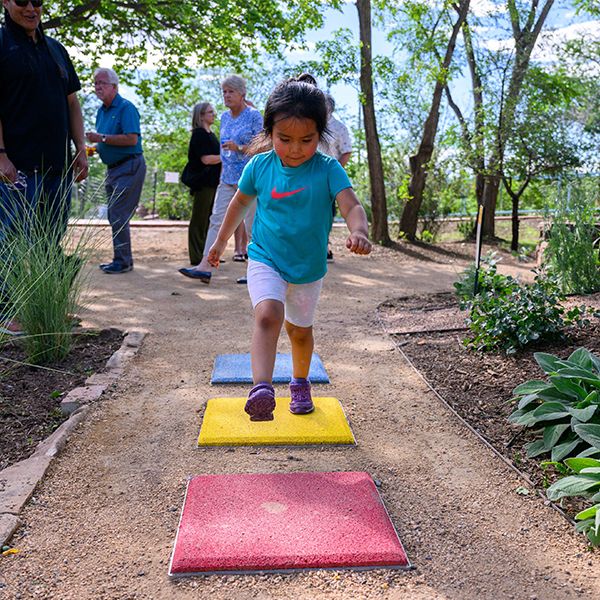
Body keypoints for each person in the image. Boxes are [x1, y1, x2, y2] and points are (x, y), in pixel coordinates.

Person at [206, 76, 371, 421]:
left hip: (308, 268)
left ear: (321, 135)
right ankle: (262, 389)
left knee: (299, 332)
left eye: (306, 140)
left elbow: (351, 205)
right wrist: (220, 243)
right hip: (265, 257)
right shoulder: (260, 166)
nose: (295, 148)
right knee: (267, 315)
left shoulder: (327, 169)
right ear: (269, 132)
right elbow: (238, 204)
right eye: (284, 139)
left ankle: (299, 381)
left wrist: (359, 230)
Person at [0, 0, 88, 333]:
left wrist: (81, 149)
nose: (31, 8)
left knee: (50, 240)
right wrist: (1, 154)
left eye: (37, 1)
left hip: (56, 167)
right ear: (6, 2)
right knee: (9, 241)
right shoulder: (2, 45)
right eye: (21, 1)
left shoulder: (55, 49)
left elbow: (72, 103)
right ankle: (8, 314)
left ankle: (47, 307)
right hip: (15, 168)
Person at [179, 74, 262, 283]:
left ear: (242, 93)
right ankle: (205, 266)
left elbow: (264, 146)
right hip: (226, 178)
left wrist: (240, 148)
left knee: (252, 224)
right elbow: (222, 150)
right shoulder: (224, 117)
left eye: (230, 91)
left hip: (249, 178)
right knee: (216, 220)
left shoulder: (254, 116)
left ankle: (255, 271)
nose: (226, 96)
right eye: (224, 92)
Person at [85, 68, 146, 274]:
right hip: (113, 169)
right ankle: (121, 259)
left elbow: (132, 139)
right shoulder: (102, 111)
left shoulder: (126, 108)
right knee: (114, 214)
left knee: (118, 214)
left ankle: (123, 261)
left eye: (102, 83)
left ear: (114, 86)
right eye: (95, 83)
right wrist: (94, 149)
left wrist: (101, 138)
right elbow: (106, 140)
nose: (98, 87)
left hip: (129, 166)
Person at [180, 102, 221, 266]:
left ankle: (206, 255)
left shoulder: (210, 134)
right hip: (203, 183)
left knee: (208, 220)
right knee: (199, 220)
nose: (214, 114)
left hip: (212, 182)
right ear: (201, 115)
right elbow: (206, 159)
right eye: (210, 112)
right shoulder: (199, 134)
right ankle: (196, 256)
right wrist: (226, 156)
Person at [319, 93, 352, 262]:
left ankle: (323, 246)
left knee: (326, 212)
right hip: (307, 173)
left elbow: (346, 151)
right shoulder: (311, 124)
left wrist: (335, 172)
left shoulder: (339, 128)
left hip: (328, 176)